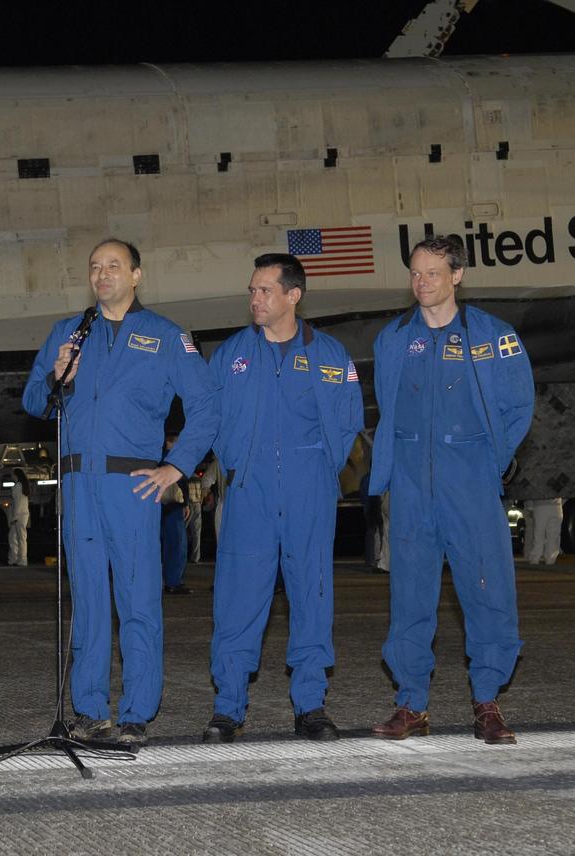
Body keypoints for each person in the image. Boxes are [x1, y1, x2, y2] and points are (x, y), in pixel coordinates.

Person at [22, 238, 219, 746]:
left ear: (136, 275)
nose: (102, 274)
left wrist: (175, 467)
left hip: (131, 485)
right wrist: (59, 376)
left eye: (113, 266)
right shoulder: (68, 333)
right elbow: (33, 402)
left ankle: (135, 712)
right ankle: (90, 709)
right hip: (78, 483)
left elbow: (207, 407)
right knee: (87, 601)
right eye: (94, 267)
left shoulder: (166, 336)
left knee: (137, 601)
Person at [368, 235, 534, 745]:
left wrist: (489, 463)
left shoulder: (493, 336)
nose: (422, 284)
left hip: (471, 488)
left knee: (488, 595)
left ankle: (487, 702)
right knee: (410, 598)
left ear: (457, 275)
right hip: (413, 489)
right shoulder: (393, 338)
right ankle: (411, 704)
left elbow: (518, 406)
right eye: (415, 274)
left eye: (433, 274)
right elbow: (388, 408)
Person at [201, 254, 363, 744]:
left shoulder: (331, 355)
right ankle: (228, 708)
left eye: (264, 291)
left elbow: (348, 420)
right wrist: (235, 465)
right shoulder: (230, 355)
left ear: (293, 295)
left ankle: (310, 705)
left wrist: (315, 469)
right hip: (249, 491)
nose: (254, 299)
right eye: (252, 290)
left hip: (307, 491)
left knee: (312, 595)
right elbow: (210, 419)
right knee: (237, 599)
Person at [160, 434, 190, 595]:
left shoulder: (155, 455)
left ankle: (160, 581)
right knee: (177, 543)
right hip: (173, 505)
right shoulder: (177, 458)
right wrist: (185, 504)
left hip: (158, 504)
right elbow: (183, 482)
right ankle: (173, 581)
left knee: (158, 544)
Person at [523, 498, 563, 566]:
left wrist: (529, 506)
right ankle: (551, 559)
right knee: (553, 536)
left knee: (538, 534)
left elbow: (530, 491)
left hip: (540, 505)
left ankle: (535, 558)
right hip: (557, 505)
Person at [8, 467, 31, 566]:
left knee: (17, 537)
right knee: (19, 537)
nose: (11, 476)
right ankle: (18, 558)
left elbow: (17, 502)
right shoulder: (22, 486)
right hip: (23, 513)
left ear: (16, 475)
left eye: (12, 474)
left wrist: (14, 517)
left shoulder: (18, 486)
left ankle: (20, 559)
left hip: (19, 515)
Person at [185, 469, 206, 564]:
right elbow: (203, 492)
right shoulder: (198, 478)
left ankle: (182, 555)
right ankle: (195, 557)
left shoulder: (185, 477)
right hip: (197, 504)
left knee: (182, 531)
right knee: (197, 533)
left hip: (187, 505)